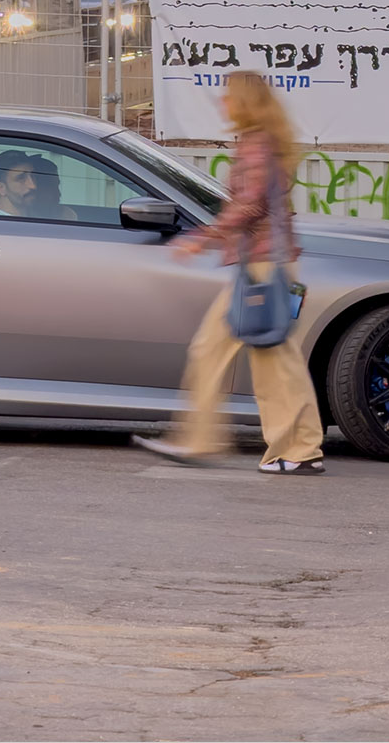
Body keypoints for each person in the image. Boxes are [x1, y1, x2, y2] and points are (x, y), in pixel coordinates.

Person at [134, 71, 326, 475]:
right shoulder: (268, 143)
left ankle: (206, 442)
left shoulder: (257, 146)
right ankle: (297, 448)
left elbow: (250, 206)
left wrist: (200, 240)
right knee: (275, 361)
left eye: (228, 97)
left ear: (244, 102)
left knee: (221, 351)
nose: (223, 103)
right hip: (272, 263)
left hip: (262, 267)